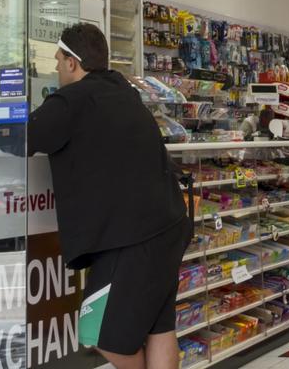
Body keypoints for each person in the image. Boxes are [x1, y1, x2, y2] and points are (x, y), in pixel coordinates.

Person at [27, 23, 192, 369]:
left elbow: (24, 137)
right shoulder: (124, 92)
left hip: (132, 237)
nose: (56, 69)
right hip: (169, 223)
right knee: (158, 326)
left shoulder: (71, 100)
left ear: (73, 63)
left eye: (58, 61)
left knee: (99, 333)